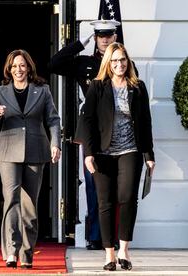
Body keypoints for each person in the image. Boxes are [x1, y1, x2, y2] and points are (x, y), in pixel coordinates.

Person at [49, 19, 124, 250]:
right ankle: (96, 236)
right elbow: (54, 64)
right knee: (93, 184)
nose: (104, 40)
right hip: (92, 131)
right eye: (100, 36)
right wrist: (80, 43)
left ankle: (114, 237)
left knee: (117, 186)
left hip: (119, 130)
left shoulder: (122, 64)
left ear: (114, 37)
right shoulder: (85, 63)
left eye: (108, 35)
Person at [80, 42, 155, 271]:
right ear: (108, 64)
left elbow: (146, 122)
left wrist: (148, 154)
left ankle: (123, 249)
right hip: (102, 152)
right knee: (105, 202)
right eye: (114, 61)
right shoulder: (97, 86)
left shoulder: (138, 87)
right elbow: (87, 121)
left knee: (128, 197)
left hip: (130, 150)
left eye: (122, 60)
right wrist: (88, 153)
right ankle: (109, 254)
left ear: (127, 62)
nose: (119, 64)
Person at [0, 49, 61, 269]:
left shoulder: (43, 90)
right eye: (14, 66)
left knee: (29, 205)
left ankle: (27, 253)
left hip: (35, 150)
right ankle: (11, 252)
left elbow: (53, 119)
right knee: (11, 200)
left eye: (22, 65)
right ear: (9, 70)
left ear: (29, 67)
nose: (18, 70)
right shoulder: (1, 91)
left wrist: (55, 143)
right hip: (8, 151)